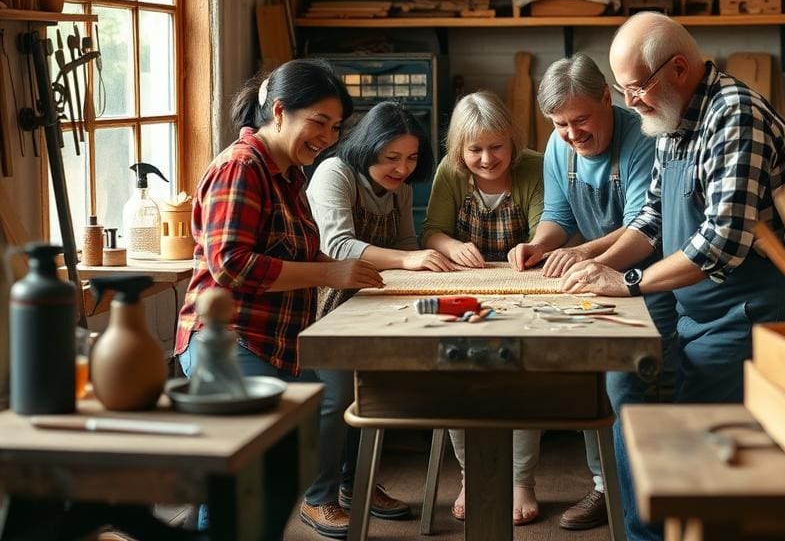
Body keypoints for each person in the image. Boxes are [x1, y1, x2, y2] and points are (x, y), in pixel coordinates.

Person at [560, 12, 785, 541]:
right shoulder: (674, 118)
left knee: (706, 470)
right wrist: (597, 264)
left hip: (751, 315)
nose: (631, 104)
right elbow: (650, 220)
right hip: (704, 313)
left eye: (635, 89)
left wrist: (626, 283)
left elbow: (720, 243)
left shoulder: (735, 117)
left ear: (677, 69)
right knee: (678, 451)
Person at [174, 58, 385, 540]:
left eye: (335, 127)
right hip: (228, 341)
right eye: (318, 122)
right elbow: (232, 264)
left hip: (273, 341)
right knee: (244, 478)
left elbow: (295, 258)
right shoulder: (241, 167)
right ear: (279, 111)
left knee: (285, 464)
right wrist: (331, 270)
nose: (328, 136)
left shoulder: (287, 174)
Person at [506, 52, 666, 532]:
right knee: (574, 372)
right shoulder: (560, 149)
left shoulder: (642, 138)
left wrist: (586, 258)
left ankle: (633, 508)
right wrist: (538, 245)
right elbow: (560, 217)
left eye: (580, 120)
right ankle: (610, 489)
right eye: (559, 125)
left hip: (649, 283)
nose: (571, 134)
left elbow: (644, 226)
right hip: (596, 284)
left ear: (605, 97)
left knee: (622, 384)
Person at [305, 100, 456, 527]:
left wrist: (433, 265)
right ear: (367, 147)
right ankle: (318, 496)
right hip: (326, 306)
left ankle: (359, 485)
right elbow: (337, 247)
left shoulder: (401, 190)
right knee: (336, 400)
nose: (402, 169)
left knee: (369, 396)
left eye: (410, 159)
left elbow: (409, 243)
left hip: (376, 304)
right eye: (391, 158)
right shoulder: (334, 174)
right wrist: (409, 262)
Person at [421, 90, 545, 525]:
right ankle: (471, 473)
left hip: (526, 285)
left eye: (497, 147)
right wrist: (454, 245)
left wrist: (530, 248)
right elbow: (432, 231)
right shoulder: (450, 172)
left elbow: (547, 228)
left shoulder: (533, 166)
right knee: (456, 372)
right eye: (475, 150)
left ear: (513, 141)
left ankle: (521, 481)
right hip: (466, 289)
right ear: (459, 150)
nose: (488, 159)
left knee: (521, 376)